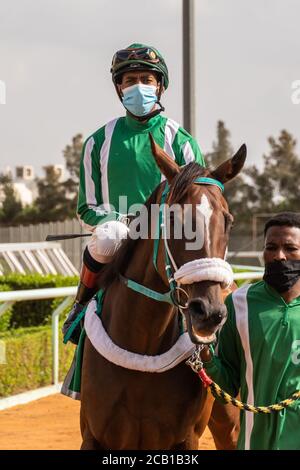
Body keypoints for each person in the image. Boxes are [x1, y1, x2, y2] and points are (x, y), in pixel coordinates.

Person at [62, 43, 205, 344]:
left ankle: (214, 338)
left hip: (170, 236)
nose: (137, 86)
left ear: (160, 86)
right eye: (129, 81)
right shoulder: (97, 141)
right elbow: (86, 207)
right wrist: (123, 219)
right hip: (120, 236)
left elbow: (200, 205)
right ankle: (81, 304)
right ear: (119, 88)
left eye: (146, 79)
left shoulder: (182, 142)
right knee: (109, 234)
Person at [200, 212, 300, 450]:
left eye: (291, 248)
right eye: (271, 247)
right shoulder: (238, 303)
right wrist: (204, 354)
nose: (279, 256)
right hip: (256, 441)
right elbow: (228, 382)